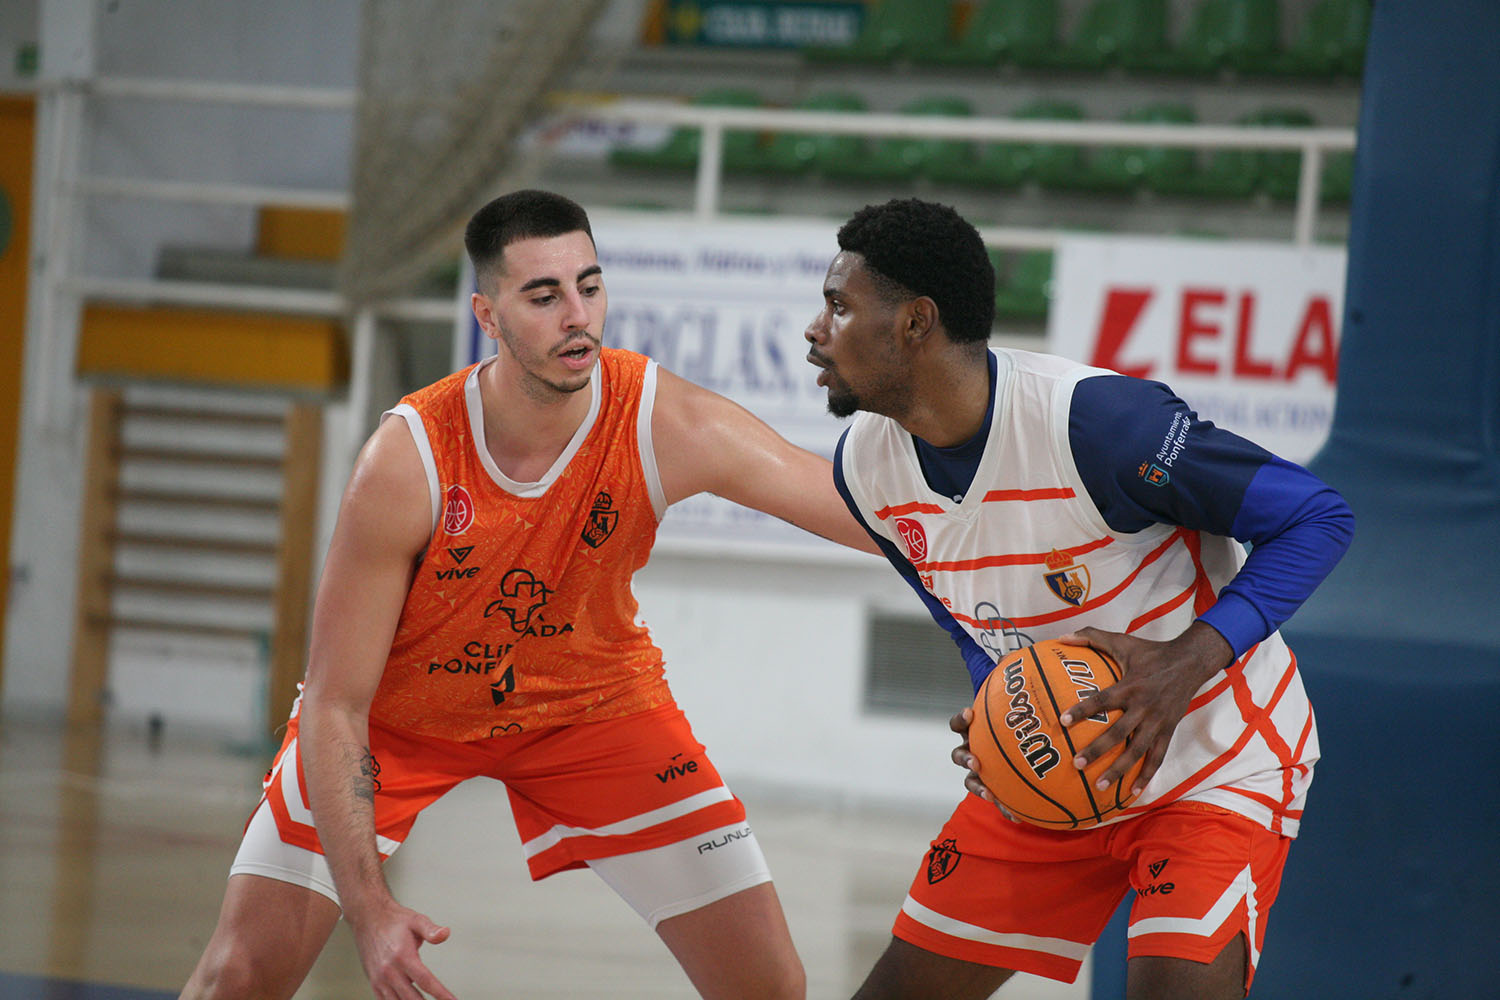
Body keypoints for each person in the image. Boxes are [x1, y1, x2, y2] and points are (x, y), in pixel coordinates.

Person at [181, 189, 877, 1000]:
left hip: (591, 709)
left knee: (768, 984)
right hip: (399, 723)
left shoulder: (661, 420)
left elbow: (856, 512)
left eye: (589, 285)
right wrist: (370, 911)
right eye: (543, 297)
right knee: (238, 974)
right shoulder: (408, 460)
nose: (576, 315)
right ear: (489, 314)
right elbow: (336, 702)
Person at [803, 198, 1354, 999]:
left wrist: (1179, 666)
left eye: (839, 306)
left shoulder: (1101, 426)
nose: (817, 331)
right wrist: (996, 707)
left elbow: (1316, 517)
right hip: (1058, 768)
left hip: (1214, 762)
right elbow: (959, 611)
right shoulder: (863, 467)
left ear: (915, 322)